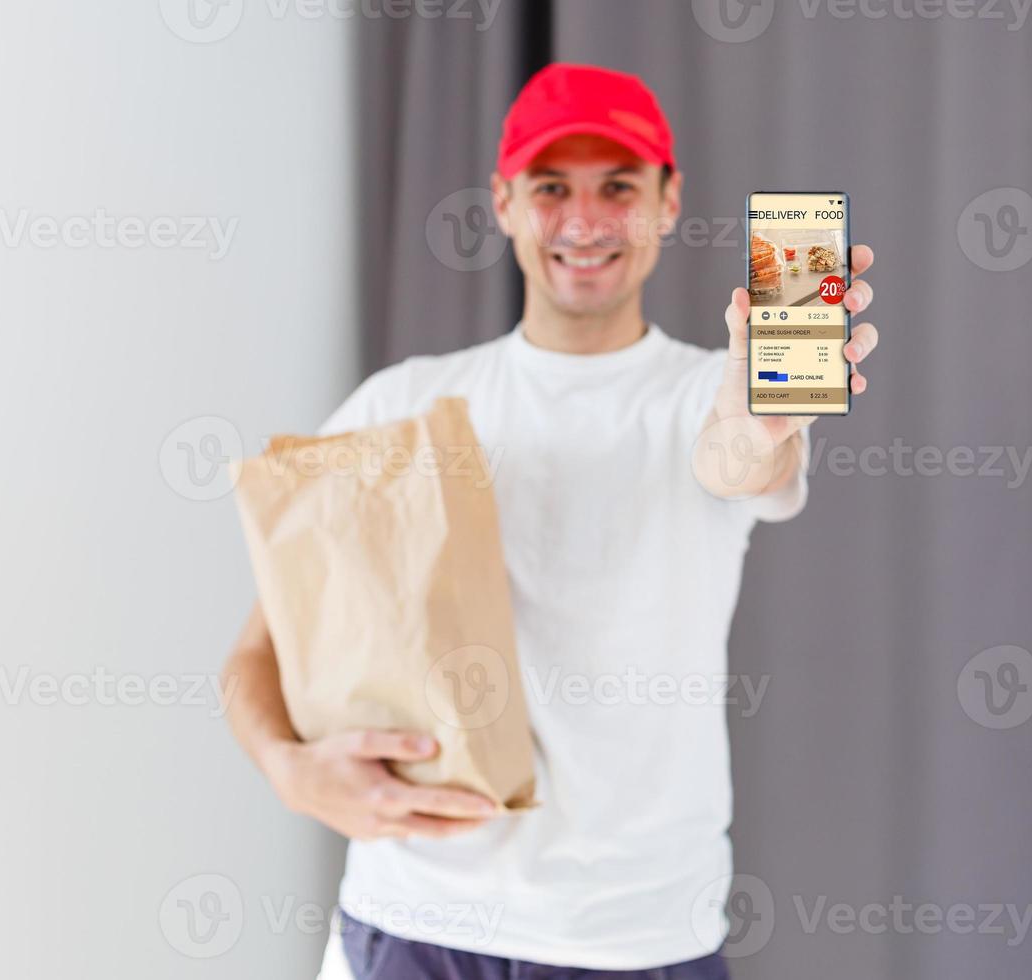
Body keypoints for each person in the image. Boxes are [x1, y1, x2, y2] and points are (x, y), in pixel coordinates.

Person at [222, 62, 880, 979]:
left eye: (618, 186)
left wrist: (764, 413)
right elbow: (256, 652)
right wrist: (287, 770)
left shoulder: (703, 400)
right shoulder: (404, 403)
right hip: (413, 927)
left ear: (668, 200)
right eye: (550, 188)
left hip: (637, 939)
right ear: (501, 202)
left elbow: (742, 457)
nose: (584, 220)